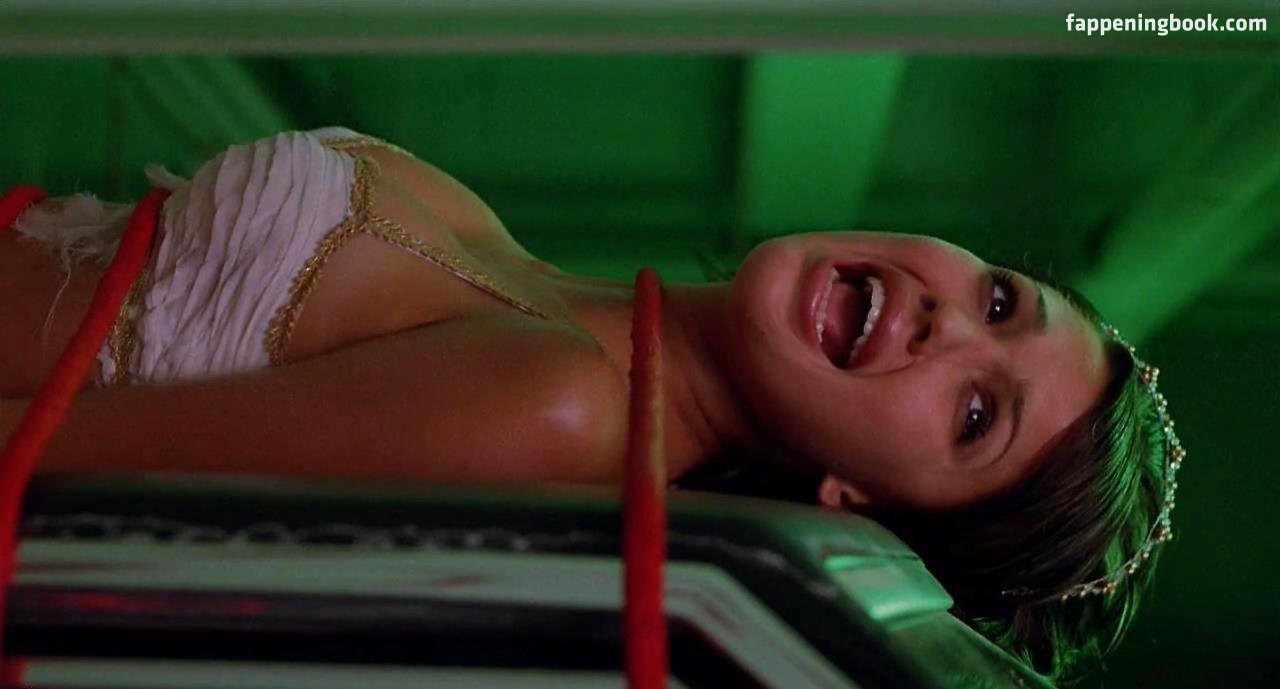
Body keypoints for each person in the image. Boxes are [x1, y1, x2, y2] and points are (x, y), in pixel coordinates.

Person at [0, 127, 1179, 683]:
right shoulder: (562, 304)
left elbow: (39, 472)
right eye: (999, 299)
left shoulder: (559, 410)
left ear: (855, 499)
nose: (946, 323)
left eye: (974, 416)